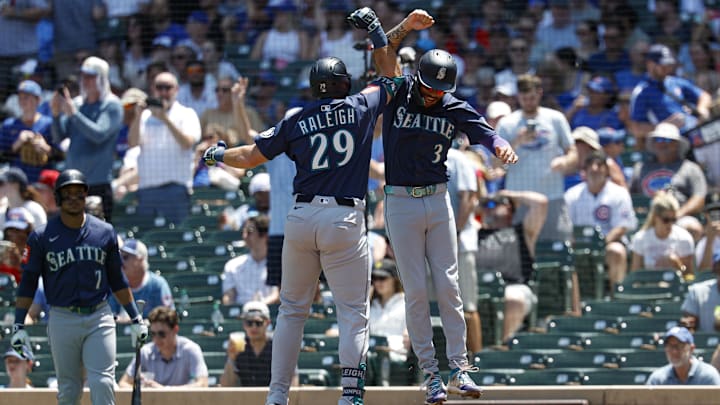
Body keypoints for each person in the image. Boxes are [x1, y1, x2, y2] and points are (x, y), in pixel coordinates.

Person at [202, 53, 392, 405]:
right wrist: (383, 39)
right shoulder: (362, 105)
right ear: (344, 83)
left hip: (302, 216)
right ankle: (350, 393)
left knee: (291, 310)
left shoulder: (296, 118)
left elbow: (247, 158)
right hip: (344, 218)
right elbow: (390, 77)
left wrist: (217, 156)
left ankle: (277, 395)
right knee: (352, 310)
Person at [349, 7, 518, 403]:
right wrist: (405, 26)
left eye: (439, 89)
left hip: (438, 201)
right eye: (428, 86)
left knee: (450, 287)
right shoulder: (399, 90)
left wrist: (500, 145)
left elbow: (484, 131)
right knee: (417, 293)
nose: (432, 93)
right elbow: (383, 52)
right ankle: (431, 376)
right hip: (401, 202)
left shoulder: (451, 104)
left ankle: (460, 368)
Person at [10, 168, 148, 405]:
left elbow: (117, 279)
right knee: (69, 390)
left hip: (99, 315)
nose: (74, 198)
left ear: (86, 196)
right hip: (62, 316)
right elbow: (29, 281)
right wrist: (19, 324)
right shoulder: (42, 237)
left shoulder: (104, 232)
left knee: (102, 382)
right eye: (68, 193)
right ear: (58, 197)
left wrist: (135, 318)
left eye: (79, 193)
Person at [495, 73, 577, 242]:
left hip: (552, 197)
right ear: (518, 96)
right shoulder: (507, 124)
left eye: (532, 97)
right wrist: (516, 142)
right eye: (524, 97)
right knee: (522, 253)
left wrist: (565, 161)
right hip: (520, 200)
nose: (528, 102)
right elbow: (495, 163)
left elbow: (573, 152)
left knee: (560, 247)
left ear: (540, 93)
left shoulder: (556, 119)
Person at [51, 56, 124, 223]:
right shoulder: (76, 104)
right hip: (71, 185)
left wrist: (74, 114)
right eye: (83, 76)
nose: (85, 81)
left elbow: (98, 135)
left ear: (102, 79)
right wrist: (55, 115)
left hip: (98, 184)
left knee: (98, 237)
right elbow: (58, 136)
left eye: (91, 76)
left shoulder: (112, 105)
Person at [128, 70, 201, 225]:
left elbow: (187, 143)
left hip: (175, 189)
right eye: (159, 87)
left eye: (167, 87)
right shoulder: (145, 116)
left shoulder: (186, 114)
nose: (163, 92)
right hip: (147, 189)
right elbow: (133, 143)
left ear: (176, 90)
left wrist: (165, 119)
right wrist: (137, 116)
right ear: (153, 89)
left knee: (175, 239)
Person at [477, 190, 547, 341]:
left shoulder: (521, 232)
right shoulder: (473, 234)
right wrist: (478, 204)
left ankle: (501, 347)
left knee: (512, 299)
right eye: (486, 205)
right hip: (479, 289)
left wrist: (508, 195)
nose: (489, 208)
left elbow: (540, 203)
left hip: (512, 287)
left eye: (494, 204)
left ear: (509, 208)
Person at [565, 151, 638, 287]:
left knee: (616, 251)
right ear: (584, 171)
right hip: (579, 245)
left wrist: (600, 244)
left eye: (599, 165)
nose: (594, 169)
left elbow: (622, 226)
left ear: (606, 170)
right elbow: (566, 226)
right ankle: (573, 302)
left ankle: (615, 295)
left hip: (608, 243)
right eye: (590, 165)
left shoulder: (619, 193)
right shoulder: (572, 195)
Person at [445, 147, 482, 354]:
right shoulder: (420, 153)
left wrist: (455, 232)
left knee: (467, 307)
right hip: (431, 245)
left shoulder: (458, 159)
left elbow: (469, 197)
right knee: (434, 310)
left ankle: (476, 361)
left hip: (461, 244)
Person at [630, 123, 707, 219]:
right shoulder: (640, 168)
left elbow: (699, 198)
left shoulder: (691, 168)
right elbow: (630, 196)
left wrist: (677, 215)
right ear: (653, 143)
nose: (662, 143)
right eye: (659, 139)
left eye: (668, 140)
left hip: (680, 218)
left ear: (677, 144)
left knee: (692, 227)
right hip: (646, 218)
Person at [118, 307, 209, 388]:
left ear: (175, 330)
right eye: (153, 334)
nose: (156, 339)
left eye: (162, 334)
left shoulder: (191, 350)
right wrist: (141, 389)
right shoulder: (145, 352)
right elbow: (123, 383)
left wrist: (164, 391)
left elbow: (203, 384)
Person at [0, 80, 56, 183]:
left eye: (26, 97)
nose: (22, 101)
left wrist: (46, 148)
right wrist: (17, 144)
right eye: (20, 97)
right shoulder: (9, 125)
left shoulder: (49, 124)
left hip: (43, 182)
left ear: (38, 100)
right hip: (17, 183)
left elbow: (61, 156)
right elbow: (2, 156)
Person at [629, 192, 695, 277]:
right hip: (650, 287)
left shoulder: (684, 239)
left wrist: (677, 264)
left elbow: (689, 277)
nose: (670, 224)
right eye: (666, 220)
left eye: (673, 219)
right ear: (655, 217)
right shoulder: (640, 238)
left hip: (676, 288)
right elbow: (635, 275)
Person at [109, 238, 174, 321]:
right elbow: (110, 317)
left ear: (141, 259)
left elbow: (168, 319)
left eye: (125, 257)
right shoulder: (115, 285)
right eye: (119, 257)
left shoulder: (157, 284)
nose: (121, 262)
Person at [221, 214, 278, 306]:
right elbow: (228, 297)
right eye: (244, 231)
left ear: (265, 235)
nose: (244, 236)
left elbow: (276, 295)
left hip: (268, 314)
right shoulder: (233, 265)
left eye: (249, 232)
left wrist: (256, 308)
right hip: (241, 317)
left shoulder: (278, 264)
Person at [220, 301, 275, 387]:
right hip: (244, 398)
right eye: (249, 323)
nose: (254, 327)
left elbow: (291, 380)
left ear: (267, 323)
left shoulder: (277, 346)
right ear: (244, 325)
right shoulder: (238, 346)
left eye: (258, 323)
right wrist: (231, 358)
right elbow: (226, 385)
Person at [646, 326, 720, 385]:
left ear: (691, 348)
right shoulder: (658, 379)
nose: (674, 351)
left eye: (679, 346)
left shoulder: (708, 376)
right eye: (670, 346)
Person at [368, 258, 408, 363]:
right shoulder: (370, 306)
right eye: (374, 278)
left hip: (397, 356)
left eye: (382, 278)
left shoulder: (407, 303)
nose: (377, 282)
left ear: (394, 279)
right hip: (372, 355)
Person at [682, 253, 720, 333]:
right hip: (705, 343)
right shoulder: (697, 291)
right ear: (715, 269)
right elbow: (689, 320)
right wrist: (689, 324)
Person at [0, 207, 35, 283]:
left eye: (18, 230)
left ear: (28, 232)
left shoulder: (36, 252)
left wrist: (18, 263)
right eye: (10, 229)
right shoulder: (2, 252)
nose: (12, 234)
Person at [696, 192, 720, 270]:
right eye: (712, 212)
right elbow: (704, 272)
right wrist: (709, 241)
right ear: (706, 214)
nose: (716, 215)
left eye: (718, 211)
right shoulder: (703, 243)